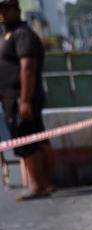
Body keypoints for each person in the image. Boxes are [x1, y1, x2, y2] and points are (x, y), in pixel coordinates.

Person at [0, 0, 55, 200]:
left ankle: (39, 185)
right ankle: (45, 183)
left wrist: (24, 100)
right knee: (36, 139)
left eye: (6, 8)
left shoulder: (22, 34)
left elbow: (28, 67)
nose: (2, 13)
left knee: (28, 143)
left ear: (16, 9)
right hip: (12, 98)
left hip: (21, 99)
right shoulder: (9, 35)